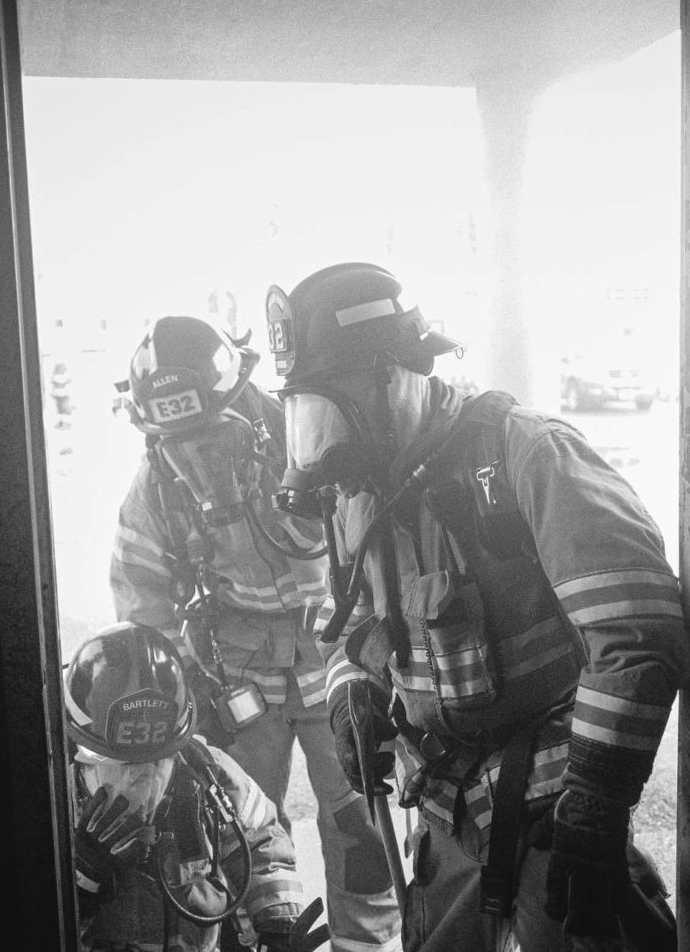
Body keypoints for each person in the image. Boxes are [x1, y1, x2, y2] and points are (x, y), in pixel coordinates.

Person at [264, 261, 689, 952]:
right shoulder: (361, 498)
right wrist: (353, 691)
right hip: (445, 812)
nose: (321, 445)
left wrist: (596, 798)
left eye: (329, 408)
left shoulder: (529, 456)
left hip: (556, 808)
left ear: (393, 375)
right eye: (304, 414)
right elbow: (352, 622)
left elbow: (635, 635)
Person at [109, 315, 402, 952]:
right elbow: (141, 599)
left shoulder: (311, 442)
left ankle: (366, 946)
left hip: (336, 660)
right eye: (175, 438)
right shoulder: (155, 487)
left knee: (361, 824)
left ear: (240, 397)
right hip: (237, 677)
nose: (194, 452)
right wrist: (171, 695)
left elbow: (377, 544)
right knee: (237, 827)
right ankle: (261, 941)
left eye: (208, 431)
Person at [64, 620, 330, 952]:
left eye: (157, 763)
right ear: (84, 754)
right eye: (124, 766)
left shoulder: (210, 776)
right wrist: (81, 877)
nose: (140, 783)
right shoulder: (54, 800)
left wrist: (277, 923)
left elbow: (263, 844)